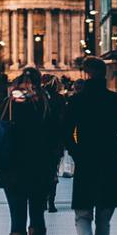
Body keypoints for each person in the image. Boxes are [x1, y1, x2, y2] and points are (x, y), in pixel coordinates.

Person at [64, 57, 117, 235]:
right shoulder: (116, 100)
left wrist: (77, 153)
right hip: (109, 162)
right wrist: (116, 148)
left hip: (86, 162)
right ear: (104, 74)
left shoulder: (76, 101)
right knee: (104, 217)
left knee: (83, 214)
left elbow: (66, 132)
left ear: (86, 75)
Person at [0, 67, 60, 235]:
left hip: (12, 170)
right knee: (37, 215)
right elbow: (55, 138)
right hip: (39, 170)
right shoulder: (44, 104)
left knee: (16, 218)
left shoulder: (8, 105)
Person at [43, 74, 67, 212]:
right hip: (55, 142)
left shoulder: (38, 98)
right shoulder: (60, 99)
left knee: (40, 171)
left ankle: (42, 199)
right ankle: (51, 202)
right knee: (53, 171)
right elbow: (64, 121)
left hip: (39, 142)